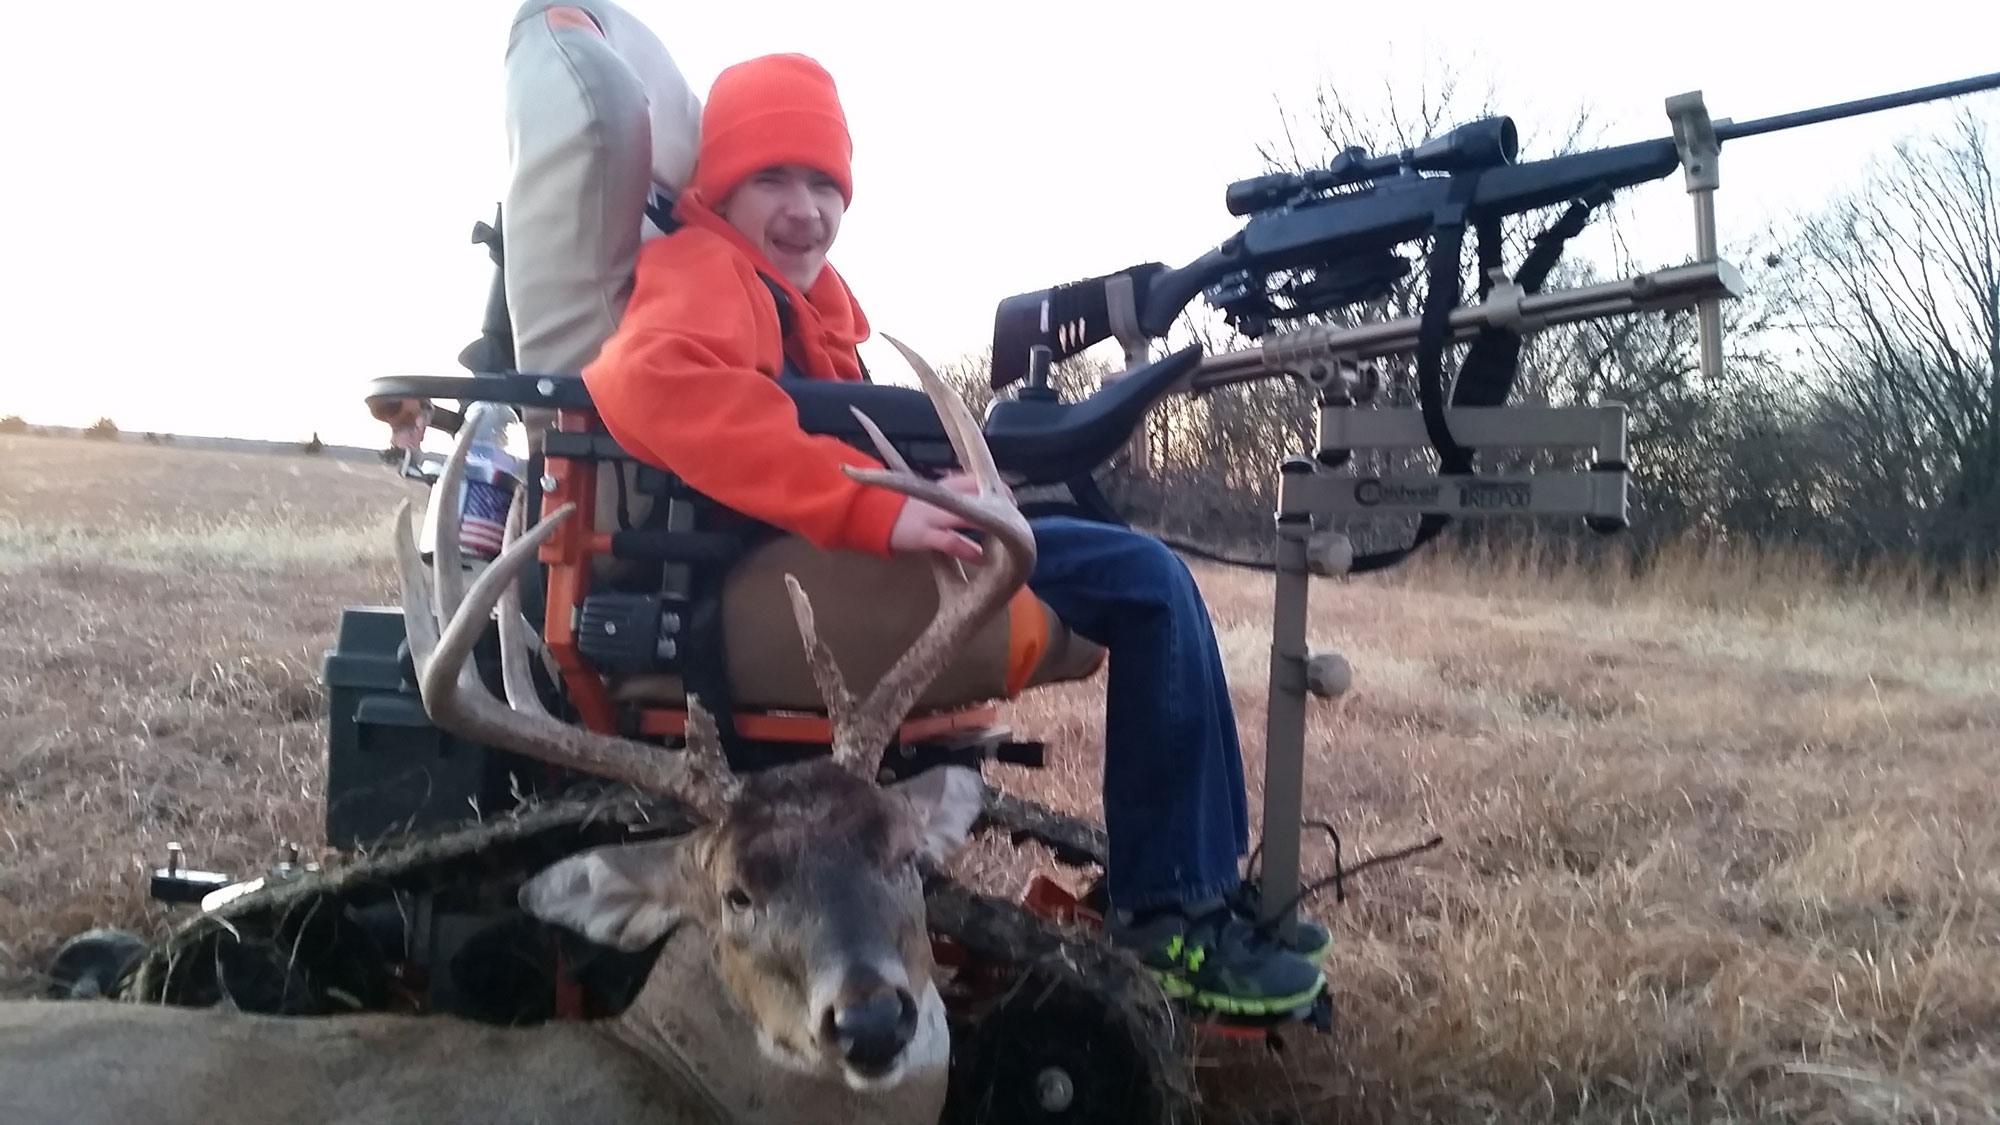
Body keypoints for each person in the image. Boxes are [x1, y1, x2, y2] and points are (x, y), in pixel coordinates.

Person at [573, 53, 1330, 1017]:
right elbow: (656, 385)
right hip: (769, 572)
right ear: (720, 185)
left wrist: (938, 484)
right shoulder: (707, 268)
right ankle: (1173, 910)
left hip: (816, 553)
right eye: (771, 178)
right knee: (1146, 583)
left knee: (1152, 579)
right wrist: (873, 505)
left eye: (824, 183)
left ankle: (1205, 893)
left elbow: (823, 430)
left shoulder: (801, 298)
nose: (804, 208)